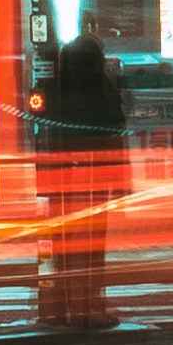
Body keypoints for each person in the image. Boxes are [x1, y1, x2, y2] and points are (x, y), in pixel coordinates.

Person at [32, 27, 133, 329]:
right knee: (92, 246)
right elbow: (116, 137)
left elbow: (43, 129)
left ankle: (63, 306)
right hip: (97, 177)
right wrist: (122, 184)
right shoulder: (103, 91)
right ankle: (90, 306)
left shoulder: (53, 90)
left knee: (63, 245)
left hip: (61, 179)